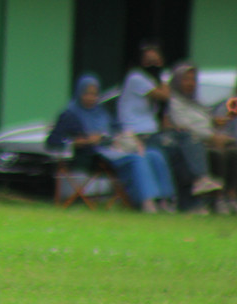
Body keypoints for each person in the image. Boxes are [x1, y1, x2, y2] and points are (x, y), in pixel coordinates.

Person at [46, 74, 174, 213]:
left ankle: (165, 200)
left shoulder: (101, 112)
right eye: (87, 94)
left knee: (154, 154)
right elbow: (53, 142)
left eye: (94, 94)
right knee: (137, 159)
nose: (91, 98)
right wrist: (80, 141)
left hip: (114, 148)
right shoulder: (70, 114)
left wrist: (127, 139)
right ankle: (147, 202)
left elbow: (115, 128)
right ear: (79, 93)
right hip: (93, 156)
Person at [116, 41, 221, 211]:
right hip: (140, 135)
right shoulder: (136, 77)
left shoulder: (151, 80)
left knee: (185, 148)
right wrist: (162, 76)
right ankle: (198, 183)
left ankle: (193, 195)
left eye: (157, 61)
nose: (154, 65)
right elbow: (165, 95)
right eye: (150, 61)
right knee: (183, 146)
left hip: (154, 133)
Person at [167, 62, 237, 214]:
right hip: (191, 144)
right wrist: (211, 137)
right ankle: (217, 199)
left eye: (193, 80)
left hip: (209, 139)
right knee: (217, 155)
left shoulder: (196, 102)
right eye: (186, 79)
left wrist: (215, 123)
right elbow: (184, 125)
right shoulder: (173, 102)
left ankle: (230, 195)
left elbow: (205, 120)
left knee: (233, 151)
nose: (190, 84)